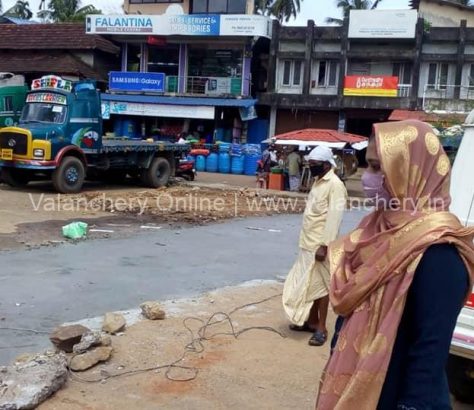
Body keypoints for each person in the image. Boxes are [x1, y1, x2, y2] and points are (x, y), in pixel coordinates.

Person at [316, 120, 474, 409]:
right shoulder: (374, 231)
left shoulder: (439, 252)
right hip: (349, 386)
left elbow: (427, 353)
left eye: (377, 168)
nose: (367, 178)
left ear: (409, 172)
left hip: (395, 397)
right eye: (369, 165)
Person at [283, 146, 347, 346]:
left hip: (320, 246)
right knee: (308, 283)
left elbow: (334, 219)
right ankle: (309, 321)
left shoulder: (335, 185)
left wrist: (325, 246)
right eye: (310, 165)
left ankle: (321, 327)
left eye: (314, 165)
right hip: (307, 243)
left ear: (327, 165)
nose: (311, 168)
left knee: (322, 287)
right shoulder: (318, 182)